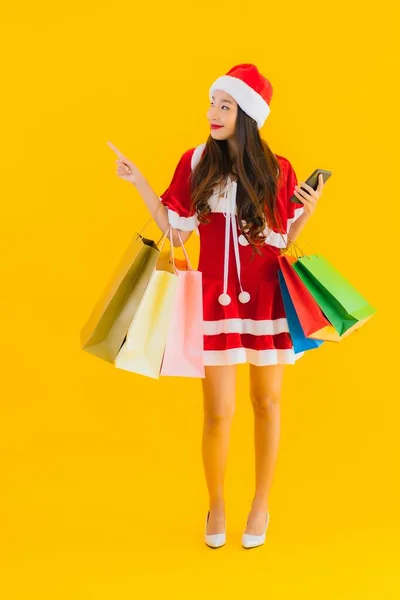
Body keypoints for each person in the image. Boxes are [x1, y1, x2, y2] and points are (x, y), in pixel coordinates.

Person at [107, 63, 325, 549]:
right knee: (217, 411)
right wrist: (140, 182)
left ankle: (261, 504)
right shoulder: (196, 161)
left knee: (266, 402)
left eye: (224, 105)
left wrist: (306, 213)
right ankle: (218, 505)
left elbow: (281, 239)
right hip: (215, 300)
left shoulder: (277, 168)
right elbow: (176, 230)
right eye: (212, 103)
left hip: (265, 297)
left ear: (246, 113)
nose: (212, 113)